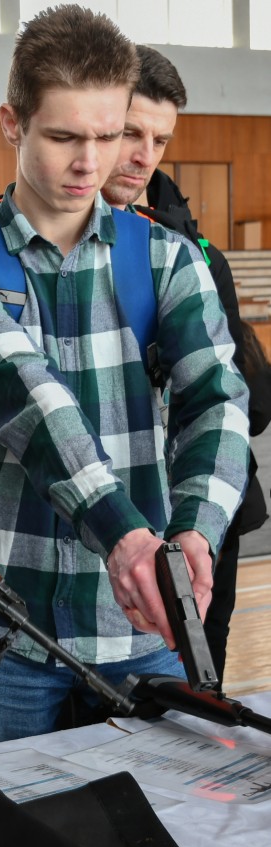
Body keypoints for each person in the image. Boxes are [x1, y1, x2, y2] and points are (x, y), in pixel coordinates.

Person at [0, 5, 250, 746]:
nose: (89, 164)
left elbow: (218, 400)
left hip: (141, 631)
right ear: (13, 122)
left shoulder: (168, 259)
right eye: (64, 137)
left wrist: (194, 536)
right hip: (5, 627)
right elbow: (31, 404)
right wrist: (127, 539)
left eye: (107, 136)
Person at [99, 45, 271, 680]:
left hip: (197, 511)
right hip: (95, 516)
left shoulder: (194, 256)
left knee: (196, 684)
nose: (144, 155)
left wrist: (201, 524)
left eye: (160, 140)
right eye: (130, 133)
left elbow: (233, 398)